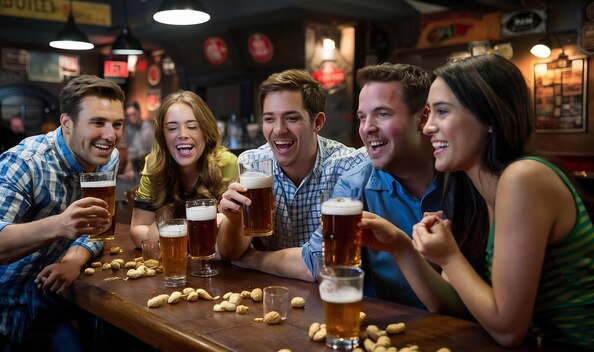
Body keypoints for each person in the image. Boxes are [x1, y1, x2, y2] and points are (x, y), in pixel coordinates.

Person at [361, 54, 594, 347]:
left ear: (489, 119)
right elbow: (453, 305)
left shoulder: (524, 178)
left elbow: (508, 330)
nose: (428, 127)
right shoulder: (472, 189)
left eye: (442, 112)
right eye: (429, 112)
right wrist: (399, 245)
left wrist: (449, 257)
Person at [0, 75, 125, 350]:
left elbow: (100, 226)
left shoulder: (107, 157)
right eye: (98, 123)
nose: (111, 136)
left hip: (43, 302)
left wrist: (74, 258)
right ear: (67, 123)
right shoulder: (25, 162)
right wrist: (59, 225)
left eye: (117, 124)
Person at [298, 63, 440, 309]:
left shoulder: (463, 177)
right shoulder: (355, 185)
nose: (367, 128)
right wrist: (253, 259)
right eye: (362, 117)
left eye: (383, 114)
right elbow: (316, 259)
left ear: (423, 117)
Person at [217, 68, 367, 279]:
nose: (278, 129)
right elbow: (229, 253)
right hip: (269, 294)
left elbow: (326, 263)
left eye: (291, 118)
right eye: (269, 119)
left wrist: (252, 259)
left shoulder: (347, 167)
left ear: (317, 122)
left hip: (330, 296)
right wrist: (233, 221)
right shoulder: (252, 163)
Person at [129, 91, 238, 248]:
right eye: (172, 128)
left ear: (206, 132)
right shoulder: (154, 164)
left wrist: (164, 230)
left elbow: (232, 238)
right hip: (173, 263)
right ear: (163, 136)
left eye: (192, 126)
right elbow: (138, 229)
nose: (182, 134)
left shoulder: (227, 163)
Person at [122, 101, 154, 182]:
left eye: (134, 114)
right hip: (135, 164)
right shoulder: (129, 129)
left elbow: (152, 153)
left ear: (139, 112)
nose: (131, 117)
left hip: (148, 165)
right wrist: (129, 165)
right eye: (129, 115)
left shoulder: (148, 128)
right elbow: (130, 149)